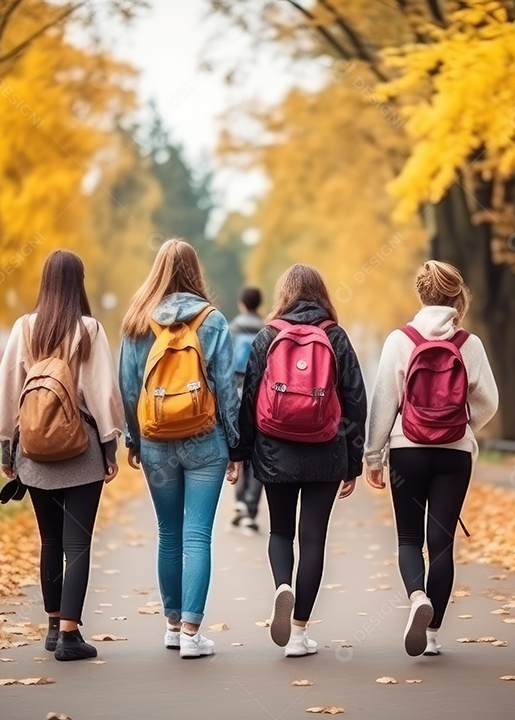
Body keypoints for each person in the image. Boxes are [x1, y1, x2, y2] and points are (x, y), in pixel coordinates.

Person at [0, 249, 125, 662]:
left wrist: (7, 451)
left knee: (49, 540)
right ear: (78, 283)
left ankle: (52, 628)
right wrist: (109, 449)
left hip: (34, 453)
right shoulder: (89, 329)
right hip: (82, 450)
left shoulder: (24, 328)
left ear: (45, 282)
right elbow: (102, 393)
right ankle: (69, 635)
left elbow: (8, 389)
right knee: (76, 544)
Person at [364, 260, 499, 657]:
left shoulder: (400, 340)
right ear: (457, 297)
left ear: (420, 295)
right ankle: (434, 635)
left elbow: (384, 402)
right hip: (454, 454)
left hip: (407, 450)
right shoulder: (469, 344)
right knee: (441, 543)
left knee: (409, 538)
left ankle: (417, 597)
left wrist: (373, 457)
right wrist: (461, 423)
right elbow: (489, 402)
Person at [232, 264, 367, 658]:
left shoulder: (267, 336)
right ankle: (298, 633)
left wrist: (242, 452)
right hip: (326, 450)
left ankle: (282, 587)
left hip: (276, 451)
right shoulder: (335, 336)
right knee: (313, 539)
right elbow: (355, 400)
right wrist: (354, 462)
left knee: (280, 532)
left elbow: (249, 397)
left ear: (284, 294)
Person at [118, 238, 241, 659]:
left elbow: (127, 387)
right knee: (197, 535)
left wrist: (134, 439)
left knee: (168, 534)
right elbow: (225, 388)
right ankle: (192, 633)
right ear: (194, 271)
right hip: (206, 439)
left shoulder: (137, 321)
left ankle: (172, 627)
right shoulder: (213, 320)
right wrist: (235, 445)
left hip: (155, 440)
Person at [228, 286, 265, 535]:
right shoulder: (266, 328)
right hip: (259, 397)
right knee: (257, 453)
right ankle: (251, 507)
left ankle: (240, 500)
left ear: (242, 303)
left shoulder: (232, 328)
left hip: (236, 394)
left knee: (237, 449)